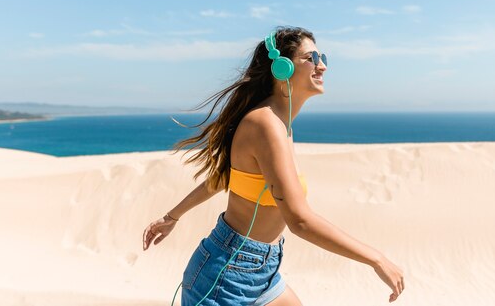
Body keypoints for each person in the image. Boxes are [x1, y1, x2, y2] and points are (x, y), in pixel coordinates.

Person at [142, 27, 405, 305]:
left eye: (322, 56)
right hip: (228, 275)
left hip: (262, 269)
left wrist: (171, 217)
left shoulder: (282, 124)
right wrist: (376, 259)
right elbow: (300, 221)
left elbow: (224, 178)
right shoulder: (265, 124)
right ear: (281, 68)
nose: (322, 65)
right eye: (311, 58)